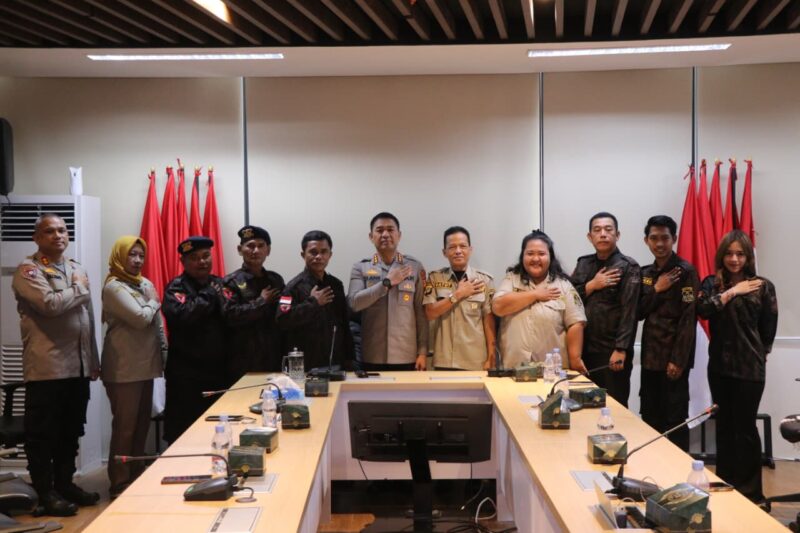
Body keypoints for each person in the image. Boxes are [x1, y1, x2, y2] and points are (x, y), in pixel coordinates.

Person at [11, 213, 100, 516]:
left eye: (62, 230)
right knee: (43, 435)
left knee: (71, 430)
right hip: (47, 368)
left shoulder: (76, 269)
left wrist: (93, 359)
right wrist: (78, 290)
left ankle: (65, 484)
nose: (58, 235)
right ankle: (45, 492)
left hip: (78, 366)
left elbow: (87, 318)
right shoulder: (29, 270)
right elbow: (49, 305)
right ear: (37, 238)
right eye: (50, 231)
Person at [697, 230, 777, 502]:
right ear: (722, 255)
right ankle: (726, 485)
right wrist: (732, 291)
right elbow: (703, 310)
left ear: (748, 257)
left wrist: (762, 353)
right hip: (719, 368)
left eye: (740, 254)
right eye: (729, 254)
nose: (734, 259)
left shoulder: (762, 286)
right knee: (724, 428)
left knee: (744, 429)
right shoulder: (712, 284)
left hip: (750, 369)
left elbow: (768, 327)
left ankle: (752, 495)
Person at [101, 236, 167, 498]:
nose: (138, 260)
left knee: (141, 426)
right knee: (125, 428)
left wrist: (164, 354)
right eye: (132, 255)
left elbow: (156, 324)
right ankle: (119, 482)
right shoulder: (114, 287)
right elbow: (140, 318)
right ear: (120, 257)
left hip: (146, 365)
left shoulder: (144, 284)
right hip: (124, 368)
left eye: (141, 255)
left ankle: (136, 475)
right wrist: (154, 301)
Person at [637, 216, 699, 451]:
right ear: (646, 241)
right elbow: (639, 312)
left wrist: (678, 359)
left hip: (673, 361)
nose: (659, 244)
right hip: (650, 359)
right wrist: (656, 289)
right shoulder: (645, 273)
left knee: (674, 421)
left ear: (674, 238)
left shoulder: (685, 271)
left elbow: (688, 318)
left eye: (665, 238)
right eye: (654, 238)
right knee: (649, 417)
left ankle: (679, 470)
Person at [162, 236, 230, 444]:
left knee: (218, 430)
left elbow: (232, 317)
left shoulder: (221, 284)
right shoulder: (176, 288)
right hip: (186, 375)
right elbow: (183, 316)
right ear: (183, 261)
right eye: (194, 258)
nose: (202, 262)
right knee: (183, 432)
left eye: (206, 256)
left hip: (218, 372)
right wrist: (209, 294)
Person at [570, 212, 640, 407]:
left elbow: (630, 312)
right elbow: (569, 299)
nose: (603, 234)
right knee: (581, 406)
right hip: (583, 349)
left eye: (608, 230)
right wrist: (591, 286)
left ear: (617, 235)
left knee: (613, 407)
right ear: (589, 236)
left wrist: (621, 349)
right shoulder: (583, 263)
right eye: (597, 230)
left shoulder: (628, 266)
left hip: (611, 352)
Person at [493, 230, 587, 373]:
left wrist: (575, 358)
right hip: (513, 369)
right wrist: (535, 294)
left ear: (550, 257)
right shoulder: (511, 279)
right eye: (530, 253)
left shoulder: (564, 285)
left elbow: (576, 323)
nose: (535, 258)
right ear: (522, 256)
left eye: (541, 254)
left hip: (551, 371)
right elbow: (498, 306)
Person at [347, 212, 428, 371]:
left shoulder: (415, 267)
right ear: (371, 236)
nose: (385, 234)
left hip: (406, 354)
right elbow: (354, 303)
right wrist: (386, 283)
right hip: (372, 354)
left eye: (390, 230)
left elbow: (421, 312)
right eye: (379, 230)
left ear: (399, 235)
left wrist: (423, 351)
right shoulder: (360, 267)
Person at [276, 230, 354, 370]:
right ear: (303, 255)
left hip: (335, 362)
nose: (319, 256)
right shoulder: (292, 287)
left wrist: (350, 357)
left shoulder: (336, 285)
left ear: (330, 255)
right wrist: (313, 303)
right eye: (313, 252)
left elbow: (344, 324)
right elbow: (282, 319)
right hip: (305, 364)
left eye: (324, 252)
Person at [423, 226, 496, 370]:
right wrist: (457, 294)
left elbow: (489, 322)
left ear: (470, 249)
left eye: (462, 246)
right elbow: (430, 313)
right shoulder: (435, 278)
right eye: (452, 247)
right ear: (444, 252)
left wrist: (491, 357)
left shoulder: (484, 280)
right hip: (443, 361)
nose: (458, 251)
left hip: (475, 361)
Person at [222, 225, 284, 379]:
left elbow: (284, 313)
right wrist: (261, 301)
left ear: (268, 250)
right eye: (250, 246)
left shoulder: (276, 280)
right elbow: (230, 316)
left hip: (274, 355)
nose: (255, 251)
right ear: (240, 249)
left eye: (261, 246)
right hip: (243, 358)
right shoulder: (231, 282)